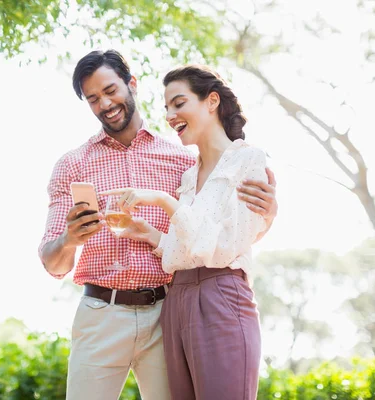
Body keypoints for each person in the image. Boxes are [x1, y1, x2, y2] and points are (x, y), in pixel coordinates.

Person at [38, 50, 277, 400]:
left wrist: (268, 212)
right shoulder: (72, 165)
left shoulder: (184, 160)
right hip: (100, 315)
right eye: (93, 99)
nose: (105, 103)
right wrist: (70, 239)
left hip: (168, 314)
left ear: (131, 84)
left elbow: (223, 228)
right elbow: (52, 262)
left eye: (110, 90)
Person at [101, 64, 269, 399]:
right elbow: (186, 251)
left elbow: (222, 247)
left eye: (179, 103)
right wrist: (149, 234)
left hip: (222, 295)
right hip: (176, 302)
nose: (170, 115)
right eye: (166, 108)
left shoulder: (248, 160)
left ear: (211, 101)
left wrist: (164, 201)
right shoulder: (189, 178)